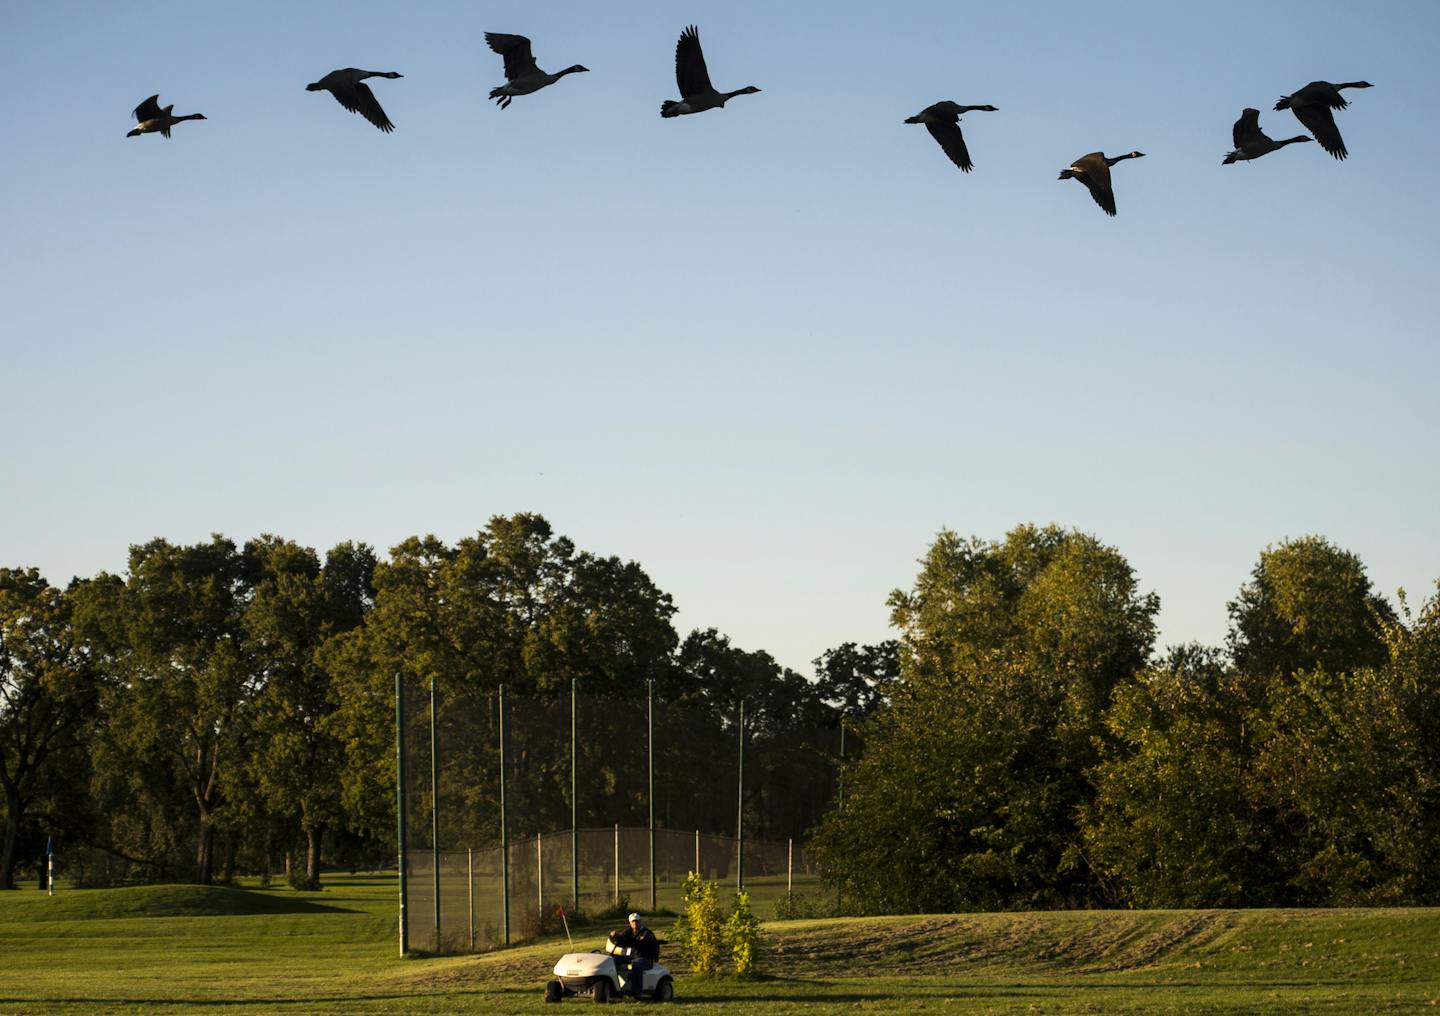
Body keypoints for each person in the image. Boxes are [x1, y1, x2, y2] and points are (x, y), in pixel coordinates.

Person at [608, 912, 659, 998]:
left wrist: (655, 958)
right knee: (611, 959)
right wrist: (614, 937)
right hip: (631, 957)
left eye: (636, 921)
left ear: (640, 921)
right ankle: (615, 988)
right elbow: (621, 943)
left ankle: (637, 992)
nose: (635, 923)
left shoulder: (647, 933)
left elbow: (641, 944)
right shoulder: (628, 931)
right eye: (633, 922)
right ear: (630, 923)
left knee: (636, 964)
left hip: (645, 959)